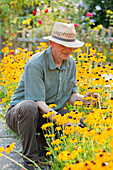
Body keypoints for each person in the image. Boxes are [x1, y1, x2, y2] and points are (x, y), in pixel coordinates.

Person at [5, 22, 99, 170]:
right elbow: (38, 104)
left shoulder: (71, 63)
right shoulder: (36, 63)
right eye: (63, 45)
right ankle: (30, 160)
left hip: (49, 114)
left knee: (80, 123)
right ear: (51, 43)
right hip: (22, 115)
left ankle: (45, 146)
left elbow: (71, 95)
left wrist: (85, 100)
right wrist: (64, 122)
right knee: (29, 106)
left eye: (71, 46)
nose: (68, 49)